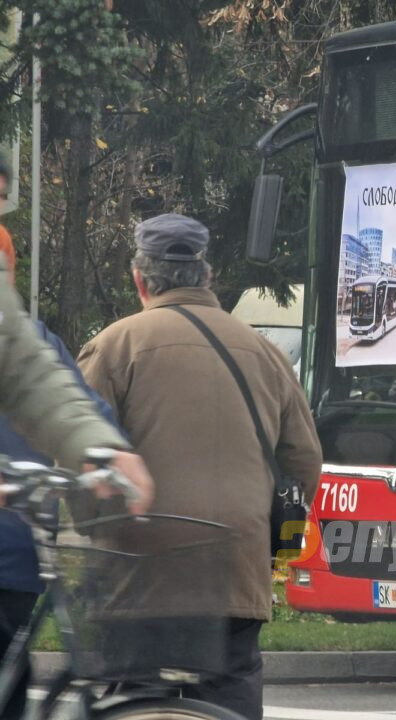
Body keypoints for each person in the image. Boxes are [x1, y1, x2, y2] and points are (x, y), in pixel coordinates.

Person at [77, 213, 323, 720]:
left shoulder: (115, 346)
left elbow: (83, 450)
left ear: (139, 279)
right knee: (230, 693)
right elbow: (303, 459)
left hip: (140, 569)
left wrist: (88, 524)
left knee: (136, 699)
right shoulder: (265, 352)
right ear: (207, 277)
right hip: (234, 567)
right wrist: (273, 543)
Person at [0, 228, 125, 720]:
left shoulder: (29, 341)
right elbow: (86, 409)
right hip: (21, 542)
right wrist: (106, 456)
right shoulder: (36, 340)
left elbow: (72, 409)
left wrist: (103, 454)